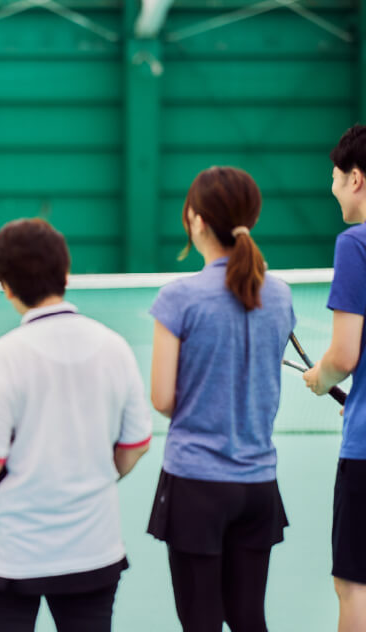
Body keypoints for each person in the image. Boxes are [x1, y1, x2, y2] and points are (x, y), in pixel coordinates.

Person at [0, 218, 152, 632]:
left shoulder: (1, 358)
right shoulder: (115, 347)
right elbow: (134, 447)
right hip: (96, 550)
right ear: (66, 273)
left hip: (14, 555)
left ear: (6, 286)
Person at [146, 167, 294, 632]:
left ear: (195, 219)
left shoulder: (178, 297)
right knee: (250, 618)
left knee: (200, 621)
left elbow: (162, 398)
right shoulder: (282, 295)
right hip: (259, 486)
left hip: (195, 486)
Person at [303, 124, 366, 632]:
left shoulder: (356, 244)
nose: (331, 187)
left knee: (355, 585)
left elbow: (343, 356)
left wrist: (321, 380)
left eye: (335, 176)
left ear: (357, 180)